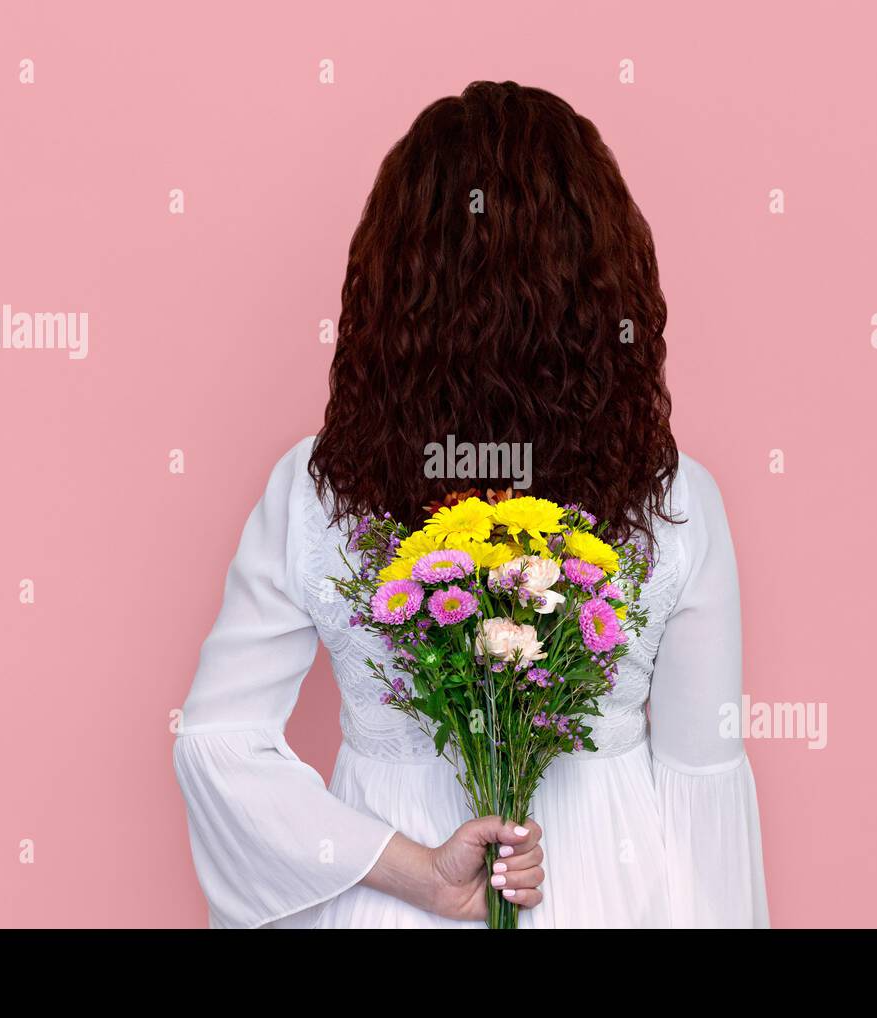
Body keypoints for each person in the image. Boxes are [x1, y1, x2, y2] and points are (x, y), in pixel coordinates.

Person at [172, 81, 769, 929]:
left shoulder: (316, 491)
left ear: (394, 286)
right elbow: (701, 795)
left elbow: (215, 743)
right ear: (604, 288)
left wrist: (415, 871)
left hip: (395, 907)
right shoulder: (675, 503)